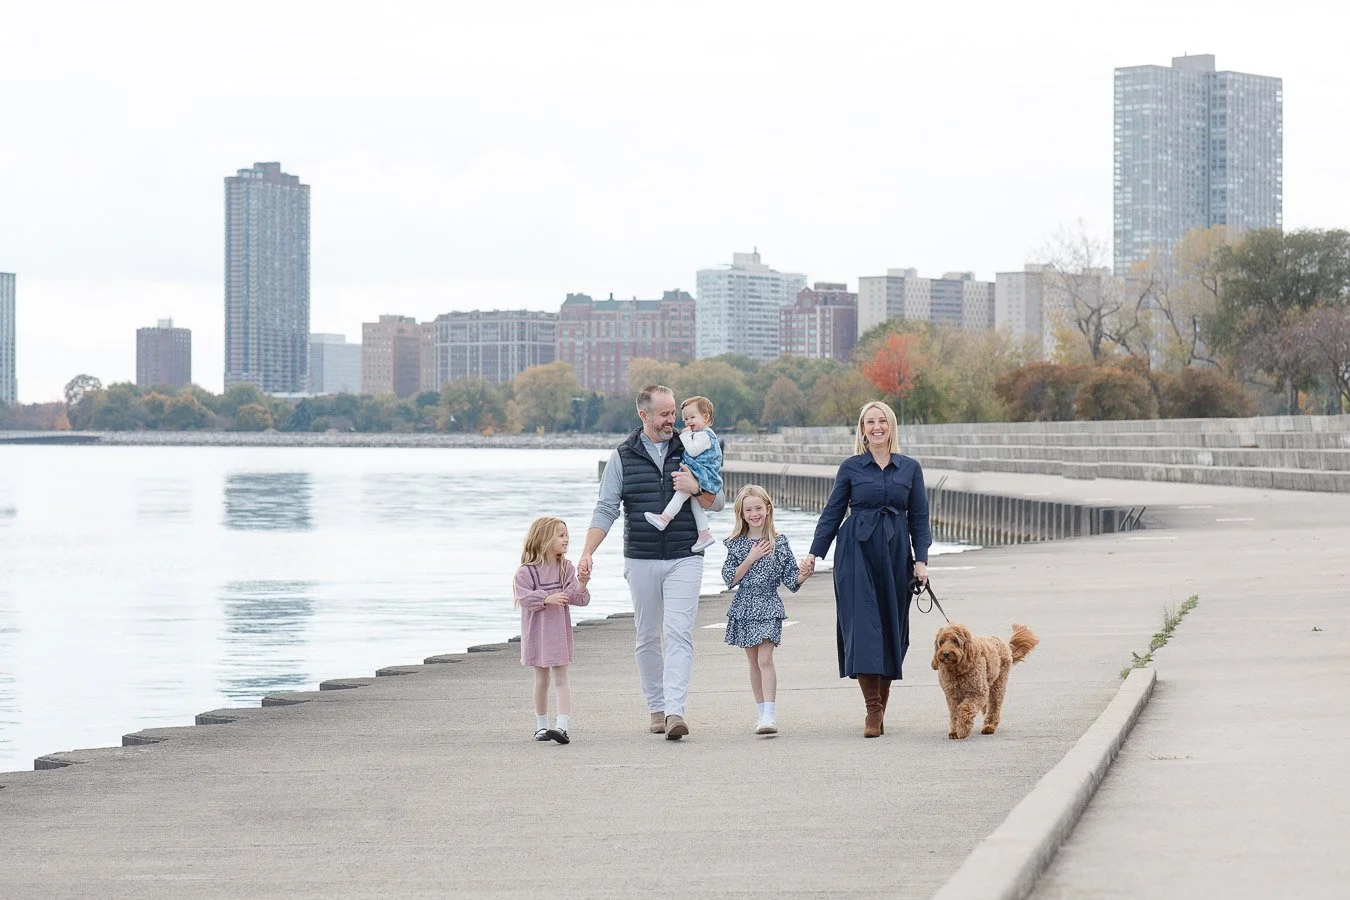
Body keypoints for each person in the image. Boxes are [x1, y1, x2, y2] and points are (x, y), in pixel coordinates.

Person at [578, 385, 725, 741]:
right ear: (643, 415)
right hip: (641, 558)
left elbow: (718, 501)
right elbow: (606, 508)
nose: (672, 420)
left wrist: (696, 487)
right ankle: (657, 708)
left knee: (678, 633)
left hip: (685, 555)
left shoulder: (690, 445)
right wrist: (587, 552)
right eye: (664, 414)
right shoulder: (622, 457)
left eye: (674, 412)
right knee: (647, 636)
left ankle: (675, 712)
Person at [806, 400, 931, 738]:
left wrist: (921, 561)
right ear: (862, 429)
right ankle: (873, 710)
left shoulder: (910, 468)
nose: (876, 427)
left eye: (882, 421)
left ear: (891, 426)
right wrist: (815, 554)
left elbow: (919, 518)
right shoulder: (851, 467)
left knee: (892, 629)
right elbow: (832, 512)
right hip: (855, 553)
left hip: (895, 555)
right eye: (869, 422)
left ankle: (881, 707)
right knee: (862, 628)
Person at [721, 484, 813, 735]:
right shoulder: (736, 544)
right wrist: (750, 558)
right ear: (741, 514)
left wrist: (804, 574)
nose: (754, 514)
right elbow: (729, 579)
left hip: (769, 604)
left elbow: (791, 580)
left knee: (765, 659)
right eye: (748, 510)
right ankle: (761, 713)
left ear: (768, 509)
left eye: (758, 508)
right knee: (753, 661)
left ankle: (770, 715)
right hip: (744, 605)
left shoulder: (779, 543)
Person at [513, 516, 591, 745]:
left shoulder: (566, 568)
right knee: (541, 680)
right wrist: (546, 598)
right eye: (561, 535)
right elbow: (523, 598)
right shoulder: (525, 572)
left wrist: (582, 582)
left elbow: (577, 598)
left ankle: (562, 727)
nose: (566, 540)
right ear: (544, 538)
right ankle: (541, 726)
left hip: (558, 634)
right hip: (537, 635)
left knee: (561, 679)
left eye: (567, 535)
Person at [644, 395, 722, 552]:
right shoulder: (702, 434)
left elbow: (693, 451)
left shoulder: (704, 435)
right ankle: (704, 533)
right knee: (695, 504)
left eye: (692, 417)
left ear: (706, 417)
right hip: (700, 473)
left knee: (680, 494)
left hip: (700, 474)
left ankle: (664, 518)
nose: (688, 422)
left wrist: (685, 435)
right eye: (685, 419)